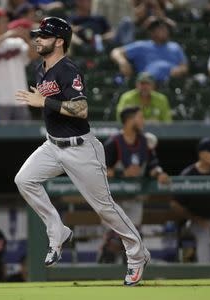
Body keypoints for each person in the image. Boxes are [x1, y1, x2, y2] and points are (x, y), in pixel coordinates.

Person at [14, 17, 150, 286]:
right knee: (24, 180)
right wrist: (42, 102)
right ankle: (58, 231)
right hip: (53, 145)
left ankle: (137, 255)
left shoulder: (68, 70)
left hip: (81, 148)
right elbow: (49, 105)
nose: (37, 39)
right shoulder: (40, 70)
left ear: (60, 41)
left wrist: (45, 102)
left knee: (105, 208)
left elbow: (81, 109)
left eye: (44, 35)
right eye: (37, 35)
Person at [99, 106, 169, 263]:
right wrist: (122, 174)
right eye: (140, 117)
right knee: (113, 242)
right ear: (130, 120)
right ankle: (103, 276)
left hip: (135, 199)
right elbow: (100, 171)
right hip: (114, 201)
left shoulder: (145, 142)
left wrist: (159, 174)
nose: (143, 121)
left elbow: (152, 165)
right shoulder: (113, 142)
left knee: (134, 241)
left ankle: (132, 278)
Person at [0, 9, 36, 121]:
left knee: (23, 137)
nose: (7, 24)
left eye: (7, 21)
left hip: (20, 101)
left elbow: (33, 56)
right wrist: (6, 36)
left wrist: (27, 39)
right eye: (3, 21)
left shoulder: (17, 42)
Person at [110, 18, 188, 82]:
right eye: (158, 29)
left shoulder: (175, 46)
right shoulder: (142, 45)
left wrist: (180, 70)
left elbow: (184, 66)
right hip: (148, 83)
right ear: (151, 32)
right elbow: (116, 52)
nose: (163, 30)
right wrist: (123, 62)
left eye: (164, 28)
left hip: (171, 81)